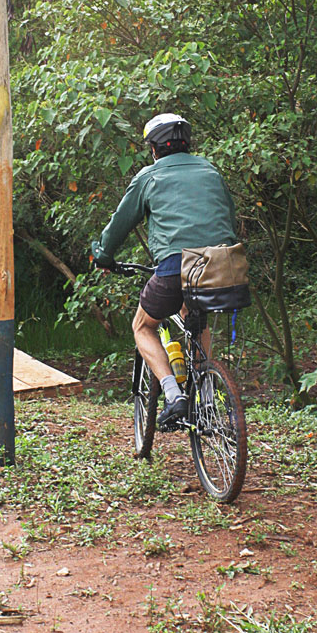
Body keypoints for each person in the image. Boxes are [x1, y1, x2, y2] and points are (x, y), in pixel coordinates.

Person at [91, 113, 238, 427]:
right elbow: (227, 216)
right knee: (195, 317)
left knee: (142, 326)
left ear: (154, 149)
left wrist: (103, 255)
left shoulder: (149, 176)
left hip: (175, 265)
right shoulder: (210, 170)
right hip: (225, 264)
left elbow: (119, 225)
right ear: (188, 144)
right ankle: (207, 396)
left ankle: (174, 396)